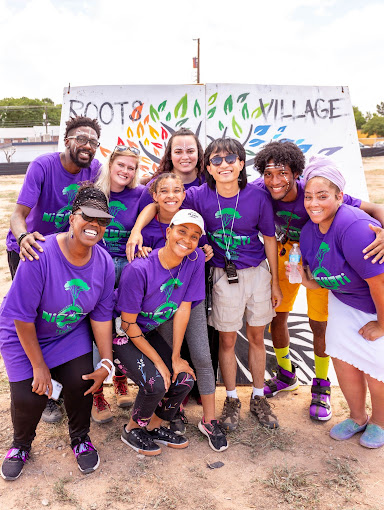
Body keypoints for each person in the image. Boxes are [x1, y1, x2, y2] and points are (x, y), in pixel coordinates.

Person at [129, 138, 282, 431]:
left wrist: (275, 282)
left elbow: (271, 240)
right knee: (226, 340)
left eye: (230, 159)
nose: (224, 165)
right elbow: (159, 201)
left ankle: (259, 396)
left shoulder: (258, 196)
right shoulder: (198, 195)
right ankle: (232, 399)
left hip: (257, 273)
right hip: (224, 275)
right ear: (207, 167)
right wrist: (137, 230)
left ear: (241, 163)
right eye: (216, 160)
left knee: (257, 336)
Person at [253, 141, 384, 422]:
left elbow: (375, 208)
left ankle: (321, 385)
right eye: (269, 174)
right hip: (287, 255)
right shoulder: (263, 187)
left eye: (283, 173)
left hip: (321, 257)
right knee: (277, 314)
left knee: (319, 322)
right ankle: (286, 373)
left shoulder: (313, 192)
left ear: (296, 173)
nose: (275, 181)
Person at [0, 184, 115, 480]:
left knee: (82, 381)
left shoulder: (103, 263)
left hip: (67, 333)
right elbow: (22, 318)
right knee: (31, 396)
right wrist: (39, 367)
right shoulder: (40, 254)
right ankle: (20, 445)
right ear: (72, 218)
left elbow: (102, 316)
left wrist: (105, 361)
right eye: (88, 217)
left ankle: (80, 437)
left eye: (102, 221)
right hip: (23, 334)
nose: (94, 226)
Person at [6, 115, 102, 423]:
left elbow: (122, 183)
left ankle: (63, 377)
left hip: (68, 249)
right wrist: (23, 238)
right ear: (67, 141)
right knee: (32, 315)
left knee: (62, 315)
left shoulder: (95, 169)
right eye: (81, 139)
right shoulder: (43, 165)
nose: (87, 146)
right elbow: (18, 214)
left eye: (93, 142)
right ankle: (44, 388)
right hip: (32, 249)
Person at [134, 173, 226, 452]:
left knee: (200, 354)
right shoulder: (148, 224)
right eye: (165, 191)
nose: (172, 195)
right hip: (160, 303)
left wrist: (205, 248)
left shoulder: (193, 239)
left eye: (178, 190)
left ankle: (209, 419)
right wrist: (140, 243)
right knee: (167, 356)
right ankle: (168, 412)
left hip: (188, 300)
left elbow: (198, 246)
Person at [296, 155, 384, 448]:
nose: (313, 203)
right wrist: (302, 278)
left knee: (376, 366)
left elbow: (379, 282)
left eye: (322, 196)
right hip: (344, 301)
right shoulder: (309, 231)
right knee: (344, 360)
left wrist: (382, 324)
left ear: (340, 197)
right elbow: (321, 279)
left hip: (376, 303)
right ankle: (358, 417)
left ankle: (380, 422)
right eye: (309, 197)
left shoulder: (354, 226)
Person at [114, 209, 212, 456]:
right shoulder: (139, 270)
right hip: (121, 333)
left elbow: (183, 308)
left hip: (146, 332)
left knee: (184, 378)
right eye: (182, 231)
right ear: (168, 232)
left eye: (194, 236)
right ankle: (132, 429)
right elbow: (127, 325)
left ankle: (154, 426)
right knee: (157, 381)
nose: (187, 240)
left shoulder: (194, 259)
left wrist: (176, 356)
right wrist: (160, 362)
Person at [90, 145, 144, 423]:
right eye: (121, 165)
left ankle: (121, 378)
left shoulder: (140, 194)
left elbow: (154, 210)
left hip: (126, 269)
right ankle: (97, 392)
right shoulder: (94, 194)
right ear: (110, 165)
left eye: (131, 167)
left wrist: (136, 232)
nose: (125, 171)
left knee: (123, 327)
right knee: (96, 330)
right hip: (96, 267)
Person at [138, 127, 205, 210]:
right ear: (170, 155)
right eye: (178, 152)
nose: (185, 157)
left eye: (190, 151)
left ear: (198, 153)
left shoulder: (210, 182)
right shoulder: (155, 186)